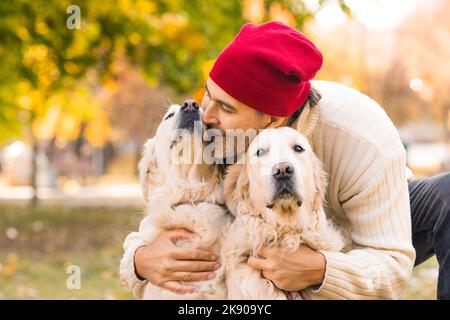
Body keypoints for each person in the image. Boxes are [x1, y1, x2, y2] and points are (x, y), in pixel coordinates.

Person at [120, 21, 450, 299]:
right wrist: (140, 258)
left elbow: (392, 264)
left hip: (359, 225)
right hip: (274, 235)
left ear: (272, 120)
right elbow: (174, 206)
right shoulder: (222, 135)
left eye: (227, 108)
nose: (206, 115)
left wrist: (320, 269)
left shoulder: (363, 139)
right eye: (209, 94)